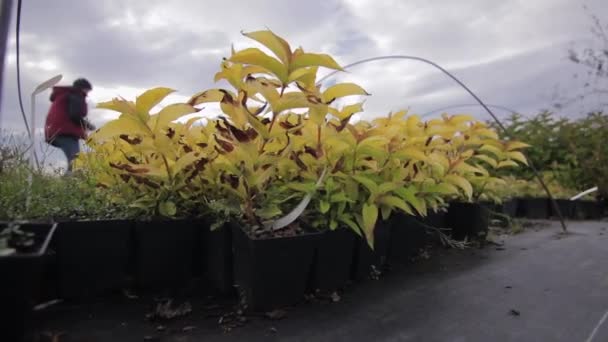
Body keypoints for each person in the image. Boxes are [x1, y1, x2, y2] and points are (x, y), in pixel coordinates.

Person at [44, 78, 96, 172]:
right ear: (82, 88)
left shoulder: (64, 95)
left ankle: (69, 182)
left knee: (74, 161)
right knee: (76, 162)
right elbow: (75, 115)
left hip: (56, 131)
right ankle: (69, 184)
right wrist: (88, 125)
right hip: (65, 132)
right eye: (87, 90)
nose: (87, 93)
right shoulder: (76, 95)